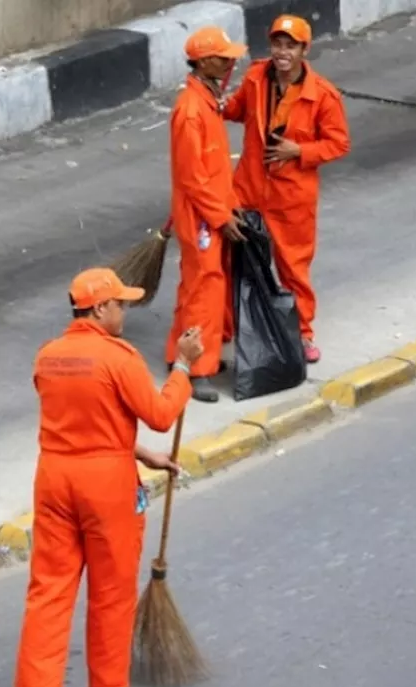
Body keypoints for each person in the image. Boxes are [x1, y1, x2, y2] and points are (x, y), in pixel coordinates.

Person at [11, 267, 204, 687]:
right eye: (121, 304)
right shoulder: (119, 358)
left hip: (55, 479)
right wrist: (182, 366)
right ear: (99, 307)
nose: (126, 311)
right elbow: (159, 413)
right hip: (105, 487)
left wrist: (139, 452)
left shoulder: (48, 356)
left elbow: (84, 420)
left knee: (49, 588)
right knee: (111, 591)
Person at [222, 14, 351, 364]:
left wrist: (300, 151)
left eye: (290, 45)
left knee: (293, 267)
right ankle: (229, 327)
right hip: (248, 188)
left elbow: (338, 144)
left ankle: (302, 333)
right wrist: (213, 99)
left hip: (292, 198)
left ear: (303, 50)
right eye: (278, 43)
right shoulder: (255, 78)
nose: (283, 51)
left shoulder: (322, 95)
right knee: (237, 261)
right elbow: (235, 110)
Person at [165, 25, 250, 404]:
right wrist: (220, 216)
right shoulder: (191, 111)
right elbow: (193, 177)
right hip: (203, 216)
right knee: (205, 289)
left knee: (198, 285)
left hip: (209, 212)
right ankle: (197, 370)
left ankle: (179, 353)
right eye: (223, 56)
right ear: (204, 61)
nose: (230, 60)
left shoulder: (205, 101)